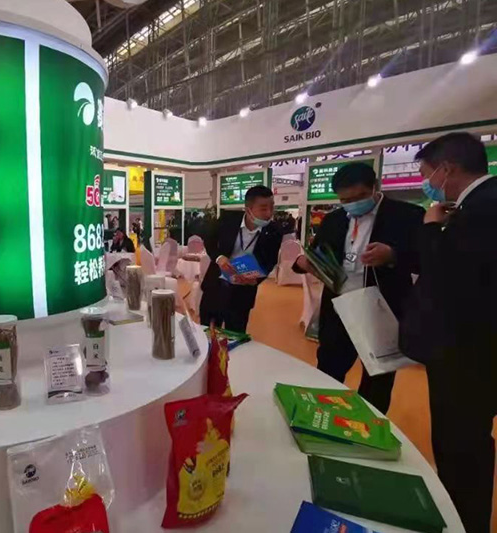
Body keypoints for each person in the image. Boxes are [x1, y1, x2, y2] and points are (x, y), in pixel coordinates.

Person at [399, 132, 497, 533]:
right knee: (466, 440)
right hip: (474, 349)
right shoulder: (479, 204)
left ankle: (463, 521)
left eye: (428, 174)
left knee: (461, 445)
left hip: (465, 353)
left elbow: (446, 277)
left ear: (447, 169)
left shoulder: (482, 210)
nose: (429, 183)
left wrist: (429, 229)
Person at [293, 162, 424, 414]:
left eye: (360, 197)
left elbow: (426, 258)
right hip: (339, 308)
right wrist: (304, 263)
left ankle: (368, 425)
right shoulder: (333, 220)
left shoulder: (407, 215)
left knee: (378, 378)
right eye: (345, 200)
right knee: (329, 369)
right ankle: (323, 416)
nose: (352, 204)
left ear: (375, 187)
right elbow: (317, 254)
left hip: (382, 309)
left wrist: (393, 255)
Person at [201, 185, 282, 332]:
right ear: (248, 209)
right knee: (208, 332)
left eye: (272, 207)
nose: (269, 213)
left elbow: (270, 261)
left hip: (243, 291)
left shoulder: (274, 231)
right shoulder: (228, 219)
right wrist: (219, 257)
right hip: (216, 286)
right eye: (263, 209)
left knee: (236, 334)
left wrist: (255, 280)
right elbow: (209, 240)